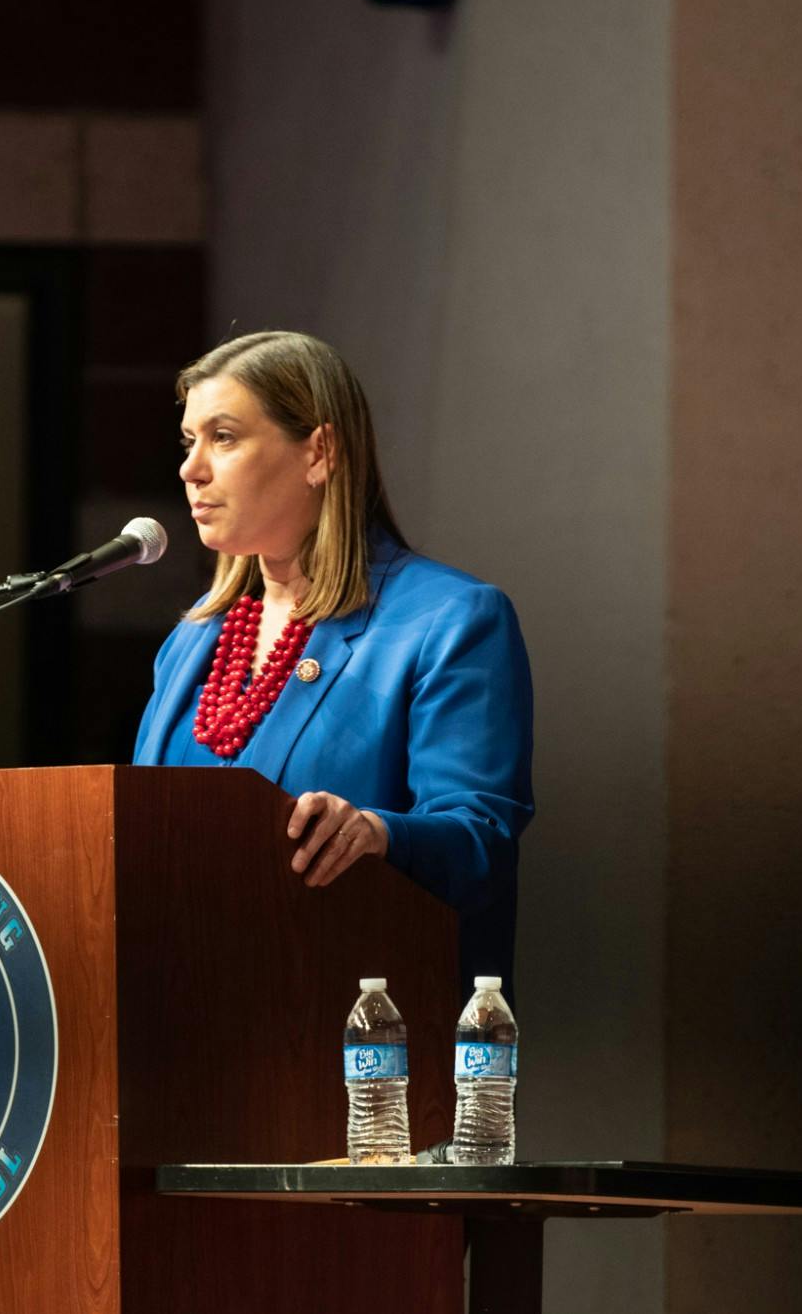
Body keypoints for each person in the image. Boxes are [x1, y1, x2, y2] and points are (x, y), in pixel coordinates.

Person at [132, 331, 535, 992]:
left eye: (224, 437)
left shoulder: (448, 621)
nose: (190, 469)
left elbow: (480, 846)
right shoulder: (193, 641)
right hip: (188, 1029)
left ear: (319, 452)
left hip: (363, 1042)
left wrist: (378, 833)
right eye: (189, 441)